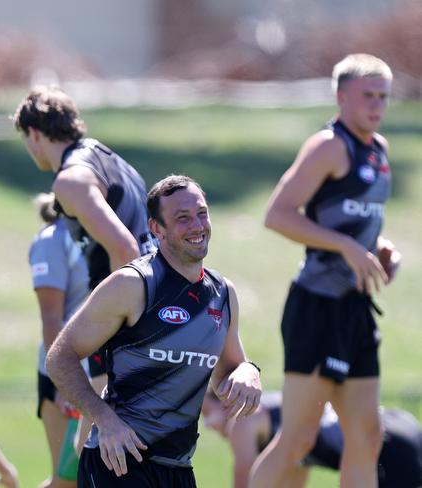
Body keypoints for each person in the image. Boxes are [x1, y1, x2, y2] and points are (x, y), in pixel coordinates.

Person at [46, 175, 262, 487]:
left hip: (177, 468)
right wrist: (104, 419)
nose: (198, 226)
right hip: (119, 464)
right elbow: (59, 357)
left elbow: (227, 374)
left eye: (202, 213)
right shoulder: (132, 285)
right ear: (156, 228)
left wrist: (248, 370)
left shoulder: (221, 294)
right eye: (182, 218)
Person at [250, 54, 402, 488]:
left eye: (383, 97)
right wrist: (346, 247)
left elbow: (359, 219)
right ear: (341, 97)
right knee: (298, 439)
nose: (376, 105)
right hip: (317, 307)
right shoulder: (328, 146)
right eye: (367, 96)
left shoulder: (380, 151)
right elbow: (277, 214)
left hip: (356, 310)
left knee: (368, 437)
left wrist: (379, 251)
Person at [13, 85, 156, 453]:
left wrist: (119, 330)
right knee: (90, 450)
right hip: (158, 302)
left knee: (98, 449)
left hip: (130, 319)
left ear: (34, 134)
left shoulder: (71, 179)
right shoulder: (109, 157)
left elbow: (123, 248)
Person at [202, 390, 422, 488]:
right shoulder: (276, 417)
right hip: (396, 425)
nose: (208, 425)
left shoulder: (242, 422)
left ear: (224, 400)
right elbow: (300, 468)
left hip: (386, 443)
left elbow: (243, 485)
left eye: (206, 414)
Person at [29, 193, 90, 488]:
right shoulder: (52, 240)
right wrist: (66, 381)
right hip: (64, 375)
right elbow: (52, 319)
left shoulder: (105, 232)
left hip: (102, 375)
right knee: (66, 481)